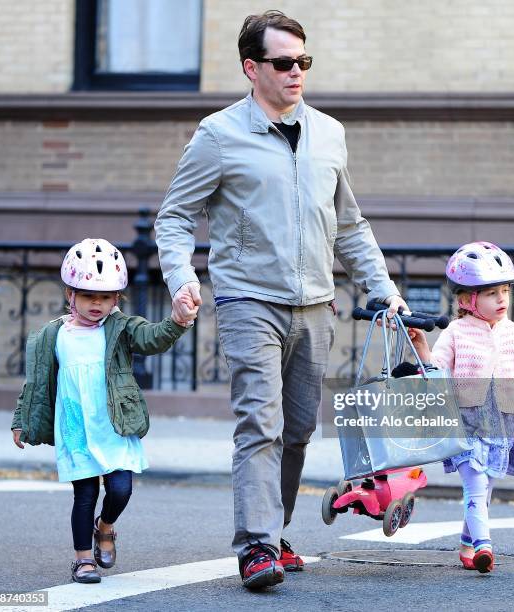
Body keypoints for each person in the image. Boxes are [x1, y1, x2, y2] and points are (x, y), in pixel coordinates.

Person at [155, 10, 407, 589]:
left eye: (304, 61)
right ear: (252, 68)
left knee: (297, 430)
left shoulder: (330, 133)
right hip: (249, 301)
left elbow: (350, 225)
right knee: (259, 425)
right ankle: (256, 546)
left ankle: (275, 529)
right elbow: (174, 218)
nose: (297, 72)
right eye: (284, 63)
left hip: (316, 305)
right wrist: (181, 277)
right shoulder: (218, 135)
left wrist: (384, 290)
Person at [11, 238, 190, 584]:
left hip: (113, 424)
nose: (97, 304)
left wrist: (177, 321)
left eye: (106, 297)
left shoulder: (120, 328)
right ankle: (82, 561)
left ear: (117, 299)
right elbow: (35, 384)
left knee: (121, 489)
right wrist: (21, 420)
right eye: (88, 296)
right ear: (70, 295)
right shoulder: (53, 335)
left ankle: (104, 528)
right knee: (85, 494)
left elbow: (152, 337)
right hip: (76, 427)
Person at [409, 241, 514, 574]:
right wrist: (421, 345)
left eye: (505, 291)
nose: (502, 299)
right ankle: (483, 548)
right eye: (492, 293)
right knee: (474, 482)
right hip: (465, 424)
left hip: (501, 425)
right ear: (466, 300)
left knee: (485, 486)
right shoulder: (457, 333)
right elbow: (437, 371)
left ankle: (466, 544)